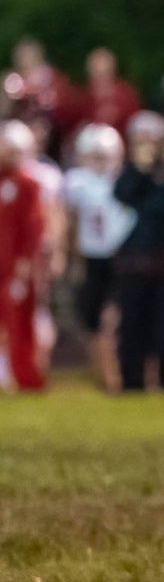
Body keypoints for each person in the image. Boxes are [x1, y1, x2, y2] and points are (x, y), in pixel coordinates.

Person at [112, 123, 164, 392]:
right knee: (132, 326)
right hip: (134, 261)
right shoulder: (130, 173)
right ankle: (132, 381)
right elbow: (121, 194)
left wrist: (146, 188)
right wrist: (140, 172)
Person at [63, 124, 134, 392]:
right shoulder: (76, 183)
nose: (100, 162)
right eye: (95, 156)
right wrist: (73, 259)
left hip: (121, 258)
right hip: (92, 257)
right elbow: (71, 225)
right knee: (91, 320)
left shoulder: (126, 180)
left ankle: (115, 377)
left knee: (112, 320)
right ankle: (101, 376)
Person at [0, 121, 46, 392]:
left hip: (13, 267)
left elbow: (33, 229)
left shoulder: (28, 185)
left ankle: (24, 376)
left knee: (19, 323)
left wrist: (24, 267)